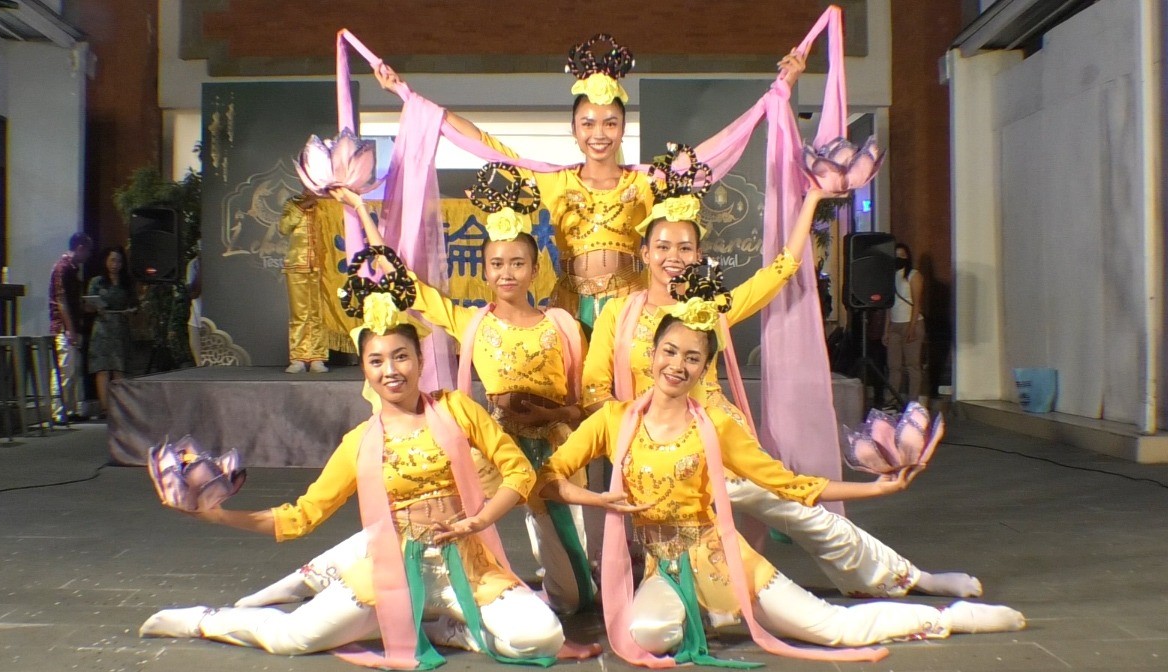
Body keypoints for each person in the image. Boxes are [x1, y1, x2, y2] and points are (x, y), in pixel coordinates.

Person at [585, 157, 982, 600]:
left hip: (719, 443)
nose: (671, 258)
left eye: (683, 249)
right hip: (653, 453)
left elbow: (781, 269)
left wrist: (812, 198)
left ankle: (907, 578)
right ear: (644, 253)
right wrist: (635, 432)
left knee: (804, 511)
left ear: (698, 256)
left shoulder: (709, 309)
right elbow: (595, 387)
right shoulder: (617, 314)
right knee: (686, 553)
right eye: (661, 247)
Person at [538, 307, 1026, 667]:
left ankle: (948, 618)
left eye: (692, 358)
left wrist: (878, 491)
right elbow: (550, 476)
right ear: (651, 354)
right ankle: (701, 613)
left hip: (723, 560)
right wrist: (595, 498)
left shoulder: (714, 427)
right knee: (644, 636)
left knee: (831, 630)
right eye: (669, 351)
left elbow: (787, 484)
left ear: (704, 368)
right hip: (663, 570)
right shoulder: (613, 419)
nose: (677, 365)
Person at [140, 261, 564, 668]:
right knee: (292, 639)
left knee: (542, 637)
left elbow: (520, 472)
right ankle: (206, 620)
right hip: (393, 568)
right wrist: (217, 518)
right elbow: (301, 517)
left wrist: (479, 521)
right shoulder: (359, 443)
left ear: (419, 360)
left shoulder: (458, 410)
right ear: (365, 370)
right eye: (377, 361)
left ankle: (445, 629)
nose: (391, 370)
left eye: (401, 357)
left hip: (467, 566)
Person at [372, 38, 807, 330]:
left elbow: (714, 148)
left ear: (622, 128)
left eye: (610, 122)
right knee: (574, 407)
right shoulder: (554, 181)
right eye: (588, 123)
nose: (599, 132)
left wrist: (775, 95)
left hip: (633, 303)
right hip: (568, 306)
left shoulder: (648, 181)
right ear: (575, 130)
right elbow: (487, 146)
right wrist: (412, 99)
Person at [326, 174, 594, 615]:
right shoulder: (470, 322)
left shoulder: (562, 324)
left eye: (517, 263)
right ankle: (347, 575)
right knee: (440, 523)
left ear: (535, 268)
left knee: (573, 592)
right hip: (494, 449)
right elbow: (401, 280)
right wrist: (360, 209)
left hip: (554, 451)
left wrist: (556, 411)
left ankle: (557, 591)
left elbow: (585, 404)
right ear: (484, 270)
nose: (506, 273)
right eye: (497, 264)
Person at [277, 194, 334, 373]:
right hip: (296, 266)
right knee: (299, 315)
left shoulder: (327, 203)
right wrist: (303, 206)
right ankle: (298, 358)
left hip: (322, 267)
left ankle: (317, 358)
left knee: (319, 315)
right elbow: (284, 227)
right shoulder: (292, 202)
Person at [85, 248, 137, 418]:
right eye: (112, 260)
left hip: (120, 327)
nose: (115, 265)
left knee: (119, 367)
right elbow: (87, 306)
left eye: (119, 261)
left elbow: (135, 305)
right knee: (102, 368)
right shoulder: (97, 282)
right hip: (102, 328)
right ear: (106, 261)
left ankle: (119, 406)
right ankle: (105, 408)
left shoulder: (126, 283)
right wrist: (95, 307)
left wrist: (131, 311)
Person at [48, 231, 92, 424]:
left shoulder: (72, 269)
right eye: (87, 251)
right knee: (64, 369)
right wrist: (70, 328)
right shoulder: (63, 268)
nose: (88, 256)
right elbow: (61, 300)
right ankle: (58, 411)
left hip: (72, 324)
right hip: (63, 327)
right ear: (80, 248)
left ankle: (70, 408)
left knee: (72, 369)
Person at [885, 241, 925, 407]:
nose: (899, 258)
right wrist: (885, 330)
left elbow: (917, 303)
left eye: (902, 255)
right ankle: (891, 400)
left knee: (912, 365)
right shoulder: (890, 276)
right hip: (894, 324)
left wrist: (912, 327)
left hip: (912, 323)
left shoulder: (913, 275)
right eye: (896, 255)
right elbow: (889, 305)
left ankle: (913, 402)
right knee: (893, 366)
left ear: (908, 257)